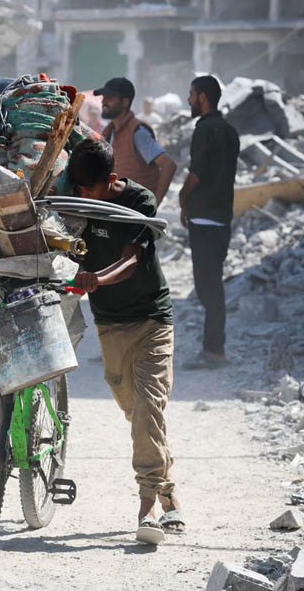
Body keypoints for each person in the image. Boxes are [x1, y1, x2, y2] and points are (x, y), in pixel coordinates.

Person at [68, 138, 182, 545]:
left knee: (150, 408)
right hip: (110, 323)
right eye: (78, 189)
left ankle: (147, 505)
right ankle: (168, 491)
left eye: (90, 191)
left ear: (112, 180)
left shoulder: (139, 200)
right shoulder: (75, 188)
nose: (83, 197)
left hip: (151, 317)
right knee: (135, 414)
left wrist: (97, 278)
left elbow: (134, 259)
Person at [178, 75, 239, 371]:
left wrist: (182, 196)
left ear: (203, 96)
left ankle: (215, 351)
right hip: (222, 217)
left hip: (204, 216)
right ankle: (214, 348)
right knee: (212, 284)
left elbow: (197, 173)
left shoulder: (205, 129)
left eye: (191, 94)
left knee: (207, 287)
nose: (188, 100)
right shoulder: (229, 131)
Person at [95, 77, 177, 205]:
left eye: (110, 97)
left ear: (125, 102)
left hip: (136, 212)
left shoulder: (137, 133)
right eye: (104, 97)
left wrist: (154, 204)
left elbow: (168, 165)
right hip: (118, 209)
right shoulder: (109, 132)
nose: (104, 101)